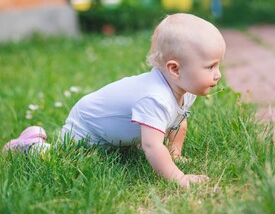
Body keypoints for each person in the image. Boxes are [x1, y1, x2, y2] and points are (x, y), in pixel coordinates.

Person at [2, 13, 226, 189]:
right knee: (63, 157)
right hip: (88, 126)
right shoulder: (155, 98)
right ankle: (31, 145)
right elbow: (152, 145)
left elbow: (178, 121)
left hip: (110, 131)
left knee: (117, 153)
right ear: (175, 69)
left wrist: (175, 154)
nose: (218, 74)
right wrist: (179, 178)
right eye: (210, 67)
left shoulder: (185, 89)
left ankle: (120, 145)